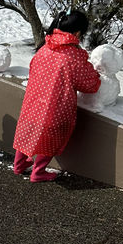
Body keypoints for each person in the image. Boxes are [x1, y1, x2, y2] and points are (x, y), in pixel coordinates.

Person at [12, 9, 101, 182]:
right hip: (55, 109)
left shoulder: (44, 47)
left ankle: (18, 165)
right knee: (50, 139)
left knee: (27, 132)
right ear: (77, 32)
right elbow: (90, 85)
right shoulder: (73, 56)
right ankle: (38, 172)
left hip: (32, 104)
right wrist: (97, 74)